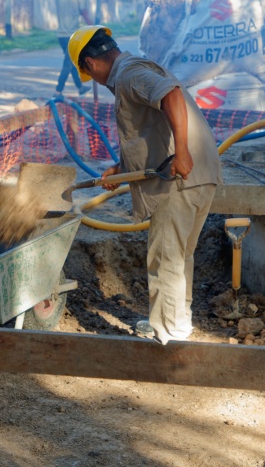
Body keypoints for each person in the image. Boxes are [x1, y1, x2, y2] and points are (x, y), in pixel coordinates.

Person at [68, 26, 223, 345]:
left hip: (178, 179)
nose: (95, 81)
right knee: (179, 256)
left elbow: (171, 96)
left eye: (88, 74)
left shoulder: (128, 74)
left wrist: (181, 152)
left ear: (91, 64)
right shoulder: (134, 68)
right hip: (199, 175)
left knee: (165, 257)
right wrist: (122, 167)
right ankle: (177, 322)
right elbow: (153, 129)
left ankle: (168, 336)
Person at [55, 0, 92, 96]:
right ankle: (58, 90)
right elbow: (85, 14)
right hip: (72, 34)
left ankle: (80, 87)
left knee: (71, 61)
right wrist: (95, 29)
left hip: (60, 34)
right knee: (68, 62)